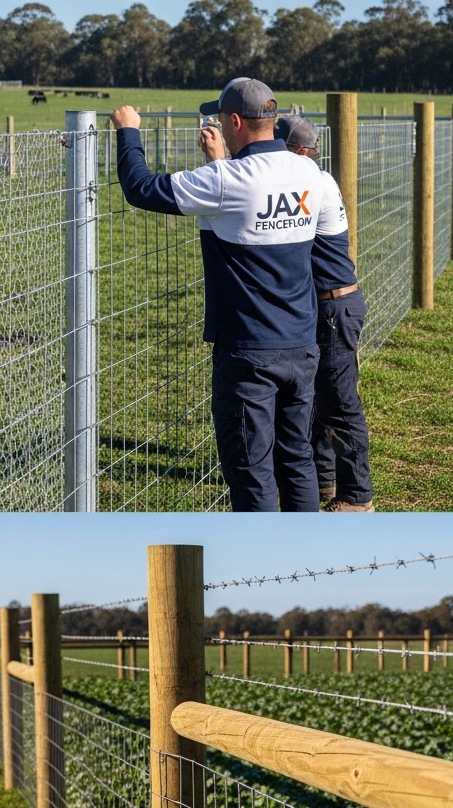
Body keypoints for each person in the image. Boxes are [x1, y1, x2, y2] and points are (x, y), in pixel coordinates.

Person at [111, 78, 342, 512]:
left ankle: (261, 551)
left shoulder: (225, 180)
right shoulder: (309, 173)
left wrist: (128, 131)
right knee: (297, 459)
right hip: (302, 345)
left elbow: (140, 188)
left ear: (234, 121)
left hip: (248, 353)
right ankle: (302, 544)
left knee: (252, 471)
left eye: (219, 118)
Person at [276, 115, 375, 512]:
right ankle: (325, 479)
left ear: (299, 151)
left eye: (278, 148)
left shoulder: (313, 184)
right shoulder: (315, 180)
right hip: (327, 305)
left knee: (339, 402)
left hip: (333, 306)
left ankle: (357, 497)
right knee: (319, 398)